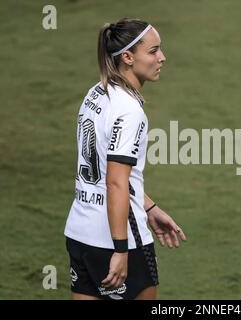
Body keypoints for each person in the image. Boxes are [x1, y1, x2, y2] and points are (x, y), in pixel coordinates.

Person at [64, 18, 187, 300]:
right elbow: (116, 183)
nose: (162, 57)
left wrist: (149, 207)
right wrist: (120, 250)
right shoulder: (130, 112)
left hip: (80, 234)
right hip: (120, 240)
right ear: (128, 57)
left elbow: (105, 171)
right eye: (153, 51)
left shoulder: (95, 93)